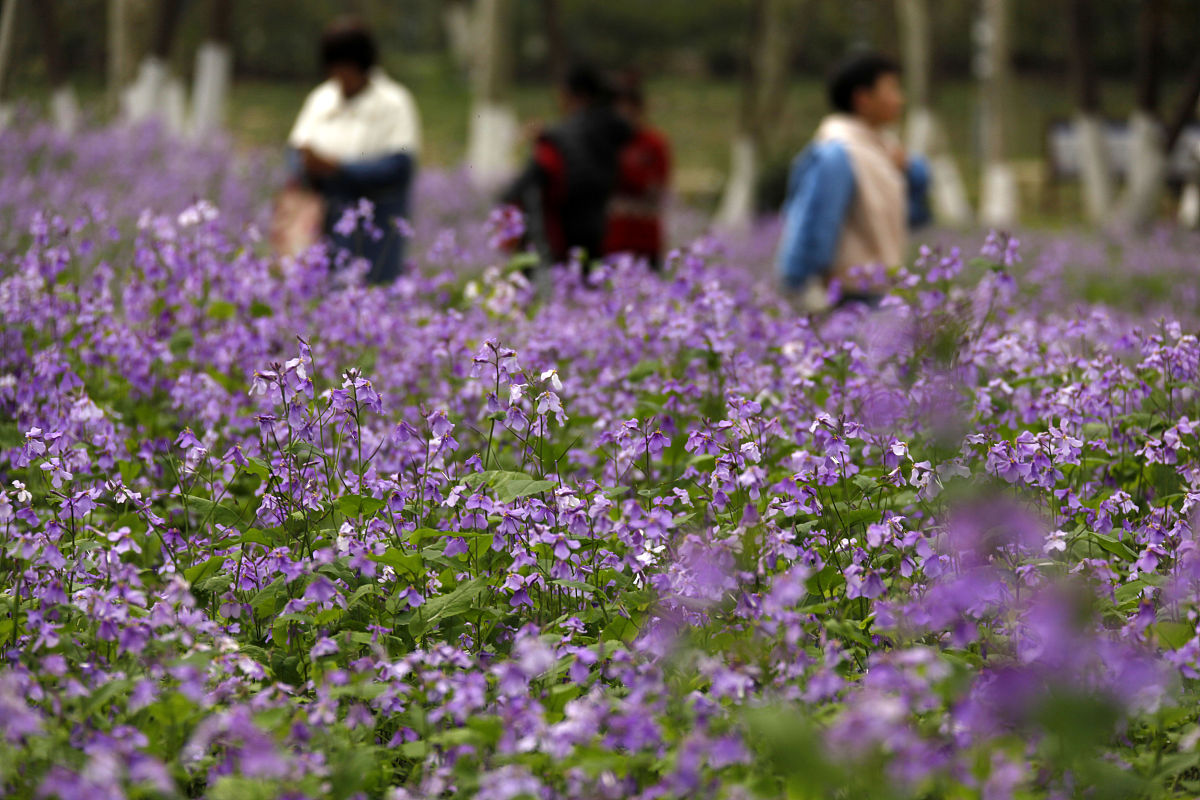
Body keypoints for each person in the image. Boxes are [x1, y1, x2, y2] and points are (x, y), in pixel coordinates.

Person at [777, 52, 931, 309]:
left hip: (881, 290)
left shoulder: (882, 150)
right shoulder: (838, 152)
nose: (900, 99)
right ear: (863, 98)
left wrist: (913, 171)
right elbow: (816, 222)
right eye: (892, 89)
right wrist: (796, 283)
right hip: (850, 295)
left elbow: (913, 217)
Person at [284, 18, 421, 284]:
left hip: (376, 223)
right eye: (334, 69)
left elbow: (399, 167)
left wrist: (340, 169)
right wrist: (305, 166)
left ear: (363, 66)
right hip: (324, 217)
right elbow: (295, 149)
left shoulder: (394, 102)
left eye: (346, 69)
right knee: (325, 290)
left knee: (374, 290)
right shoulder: (321, 99)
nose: (340, 77)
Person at [501, 64, 632, 270]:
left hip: (565, 225)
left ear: (575, 95)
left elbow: (531, 177)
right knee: (594, 275)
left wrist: (506, 198)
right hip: (604, 221)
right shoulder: (615, 128)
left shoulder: (564, 135)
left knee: (568, 277)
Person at [603, 71, 671, 269]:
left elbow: (656, 191)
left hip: (645, 242)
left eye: (628, 109)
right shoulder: (604, 143)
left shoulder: (653, 143)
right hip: (611, 243)